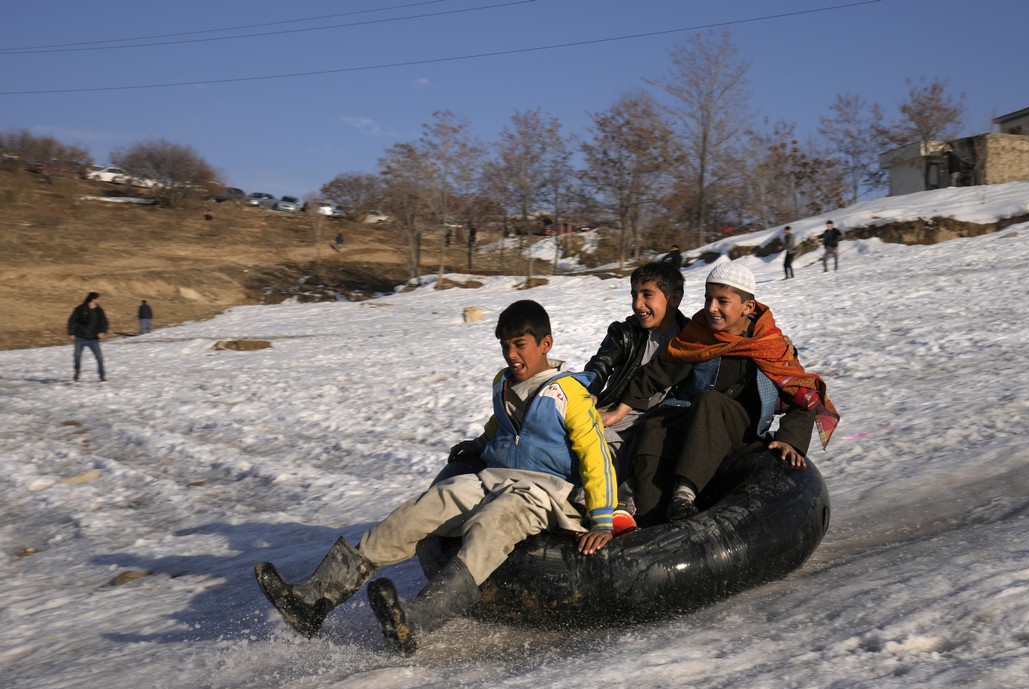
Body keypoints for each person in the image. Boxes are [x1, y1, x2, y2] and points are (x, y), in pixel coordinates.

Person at [254, 300, 617, 654]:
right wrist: (477, 445)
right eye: (505, 346)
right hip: (492, 478)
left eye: (519, 345)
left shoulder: (569, 393)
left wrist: (601, 519)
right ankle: (316, 597)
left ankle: (420, 619)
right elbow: (503, 426)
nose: (511, 354)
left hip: (540, 493)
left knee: (492, 524)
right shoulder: (503, 383)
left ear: (545, 344)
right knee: (423, 507)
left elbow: (594, 453)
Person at [603, 262, 840, 523]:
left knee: (711, 402)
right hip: (692, 422)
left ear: (747, 307)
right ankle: (650, 518)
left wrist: (790, 439)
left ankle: (684, 494)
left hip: (740, 431)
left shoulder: (769, 345)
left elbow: (802, 393)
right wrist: (619, 411)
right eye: (708, 299)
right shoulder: (699, 334)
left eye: (722, 301)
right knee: (655, 426)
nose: (711, 308)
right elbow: (657, 373)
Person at [585, 262, 688, 530]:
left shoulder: (690, 338)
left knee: (650, 446)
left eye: (646, 295)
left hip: (662, 421)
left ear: (674, 298)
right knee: (592, 439)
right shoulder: (625, 333)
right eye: (634, 295)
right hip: (621, 414)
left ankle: (622, 509)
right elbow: (599, 366)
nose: (637, 304)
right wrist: (588, 394)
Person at [67, 291, 108, 382]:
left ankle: (102, 376)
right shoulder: (80, 309)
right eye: (98, 299)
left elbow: (104, 322)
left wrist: (102, 332)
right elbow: (72, 320)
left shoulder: (99, 311)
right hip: (80, 337)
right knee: (77, 356)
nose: (100, 300)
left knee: (99, 357)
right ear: (93, 299)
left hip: (93, 339)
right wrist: (71, 333)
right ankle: (77, 371)